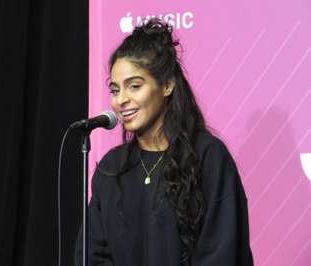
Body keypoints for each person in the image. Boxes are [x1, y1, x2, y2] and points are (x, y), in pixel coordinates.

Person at [75, 18, 254, 266]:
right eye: (115, 90)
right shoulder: (111, 169)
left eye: (134, 86)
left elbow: (222, 252)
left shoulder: (208, 157)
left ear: (167, 85)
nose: (121, 100)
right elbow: (93, 255)